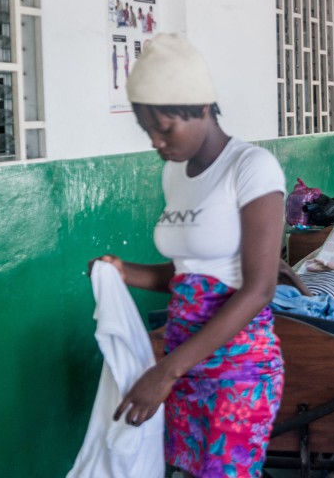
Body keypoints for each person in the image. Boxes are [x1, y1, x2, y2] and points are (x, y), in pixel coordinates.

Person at [88, 34, 285, 477]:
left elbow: (258, 288)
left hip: (239, 368)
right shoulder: (174, 173)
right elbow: (186, 275)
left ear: (200, 108)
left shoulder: (251, 168)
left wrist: (165, 373)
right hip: (185, 361)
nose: (157, 142)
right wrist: (122, 272)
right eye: (148, 131)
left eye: (165, 128)